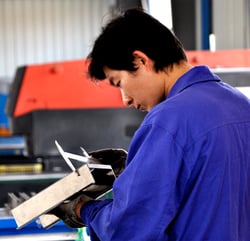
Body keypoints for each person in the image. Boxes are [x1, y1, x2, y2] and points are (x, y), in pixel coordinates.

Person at [54, 8, 250, 240]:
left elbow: (129, 228)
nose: (125, 99)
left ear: (140, 60)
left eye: (119, 83)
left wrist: (83, 209)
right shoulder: (241, 105)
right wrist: (138, 167)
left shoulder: (167, 120)